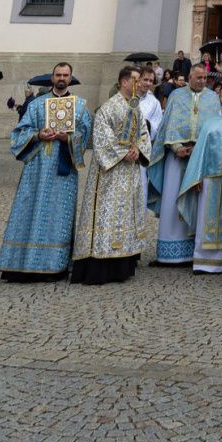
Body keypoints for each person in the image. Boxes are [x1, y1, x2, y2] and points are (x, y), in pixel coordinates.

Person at [0, 62, 93, 279]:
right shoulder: (37, 104)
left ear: (70, 78)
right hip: (37, 167)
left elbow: (85, 136)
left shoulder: (79, 106)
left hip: (63, 170)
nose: (61, 78)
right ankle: (22, 261)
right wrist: (38, 134)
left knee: (60, 214)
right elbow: (19, 132)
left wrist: (67, 137)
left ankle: (55, 264)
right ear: (52, 78)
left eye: (65, 75)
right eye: (58, 74)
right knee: (30, 208)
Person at [70, 65, 152, 285]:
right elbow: (101, 138)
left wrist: (138, 149)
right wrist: (124, 151)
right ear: (124, 82)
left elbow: (144, 133)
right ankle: (100, 264)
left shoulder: (135, 107)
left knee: (125, 215)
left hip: (130, 171)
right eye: (135, 80)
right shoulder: (108, 107)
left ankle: (121, 265)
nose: (139, 84)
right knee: (108, 212)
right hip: (111, 173)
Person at [177, 79, 222, 275]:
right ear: (219, 97)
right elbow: (199, 153)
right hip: (210, 178)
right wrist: (197, 178)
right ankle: (202, 262)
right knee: (206, 220)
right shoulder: (209, 124)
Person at [147, 63, 219, 266]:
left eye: (205, 78)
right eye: (198, 78)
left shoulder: (213, 99)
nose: (202, 81)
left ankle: (194, 252)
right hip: (176, 157)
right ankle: (169, 254)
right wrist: (177, 146)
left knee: (199, 202)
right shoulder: (176, 96)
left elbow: (213, 128)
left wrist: (199, 149)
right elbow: (167, 126)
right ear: (189, 77)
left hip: (200, 158)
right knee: (172, 200)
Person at [136, 67, 163, 211]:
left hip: (142, 151)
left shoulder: (154, 103)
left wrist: (147, 124)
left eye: (151, 81)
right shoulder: (127, 97)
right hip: (123, 150)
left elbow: (158, 126)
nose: (147, 83)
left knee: (140, 186)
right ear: (138, 80)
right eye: (145, 79)